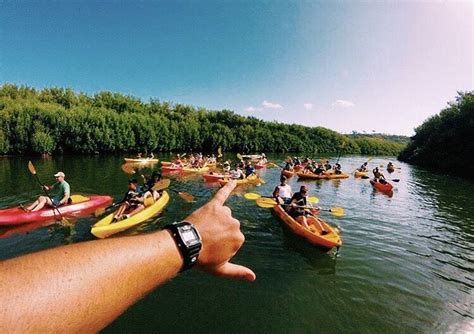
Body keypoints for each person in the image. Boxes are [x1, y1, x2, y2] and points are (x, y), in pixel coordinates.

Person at [0, 181, 255, 332]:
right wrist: (189, 239)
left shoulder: (148, 194)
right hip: (152, 221)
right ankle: (121, 215)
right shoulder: (133, 192)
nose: (133, 187)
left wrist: (182, 241)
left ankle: (125, 215)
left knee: (131, 205)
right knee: (125, 205)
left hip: (138, 207)